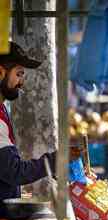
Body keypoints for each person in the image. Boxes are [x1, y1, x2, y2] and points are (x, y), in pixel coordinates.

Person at [0, 41, 56, 201]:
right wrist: (55, 161)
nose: (22, 82)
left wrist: (15, 193)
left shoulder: (2, 109)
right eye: (18, 74)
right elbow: (14, 172)